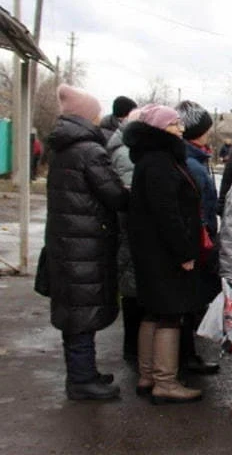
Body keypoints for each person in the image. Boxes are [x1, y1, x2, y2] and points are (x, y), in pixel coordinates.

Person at [44, 85, 128, 400]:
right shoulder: (90, 151)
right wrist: (128, 193)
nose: (98, 117)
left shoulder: (63, 147)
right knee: (82, 310)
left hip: (67, 240)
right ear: (85, 115)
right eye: (94, 111)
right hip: (85, 242)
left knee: (75, 309)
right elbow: (113, 194)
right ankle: (80, 381)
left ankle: (84, 372)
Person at [124, 104, 208, 405]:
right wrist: (184, 252)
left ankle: (149, 375)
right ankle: (166, 381)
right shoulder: (161, 162)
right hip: (164, 254)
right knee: (170, 314)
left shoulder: (150, 158)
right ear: (160, 129)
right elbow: (168, 213)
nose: (181, 128)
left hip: (151, 251)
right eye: (174, 124)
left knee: (154, 312)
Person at [175, 100, 220, 375]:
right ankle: (186, 358)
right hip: (196, 246)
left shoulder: (190, 159)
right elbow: (201, 211)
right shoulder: (194, 164)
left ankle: (186, 355)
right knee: (189, 303)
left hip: (193, 244)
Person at [106, 107, 143, 363]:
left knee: (131, 288)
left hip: (126, 229)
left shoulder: (123, 149)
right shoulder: (128, 154)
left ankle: (134, 347)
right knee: (132, 289)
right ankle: (133, 349)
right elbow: (133, 198)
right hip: (131, 230)